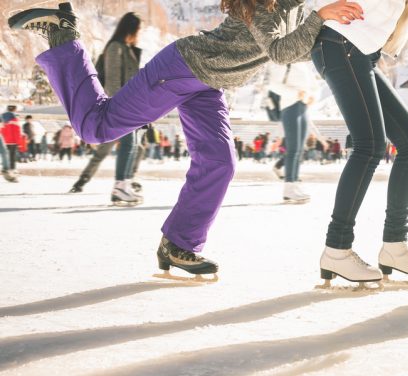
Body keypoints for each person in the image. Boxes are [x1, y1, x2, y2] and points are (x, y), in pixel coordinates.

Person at [9, 0, 364, 279]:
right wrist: (320, 17)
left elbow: (293, 48)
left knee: (220, 163)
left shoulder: (292, 5)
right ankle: (64, 37)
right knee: (95, 128)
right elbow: (279, 52)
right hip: (181, 69)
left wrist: (332, 30)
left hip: (208, 84)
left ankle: (179, 245)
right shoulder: (265, 3)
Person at [312, 0, 408, 287]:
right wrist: (319, 11)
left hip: (361, 52)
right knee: (369, 145)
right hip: (341, 43)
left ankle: (395, 247)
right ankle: (337, 248)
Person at [69, 13, 143, 207]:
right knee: (127, 145)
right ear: (131, 29)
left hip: (131, 106)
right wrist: (121, 107)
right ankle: (119, 187)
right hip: (121, 106)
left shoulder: (127, 49)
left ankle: (124, 185)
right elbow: (112, 82)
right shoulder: (115, 48)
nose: (139, 33)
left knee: (133, 145)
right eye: (138, 29)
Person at [268, 62, 317, 203]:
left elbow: (314, 85)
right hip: (290, 106)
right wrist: (296, 93)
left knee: (300, 149)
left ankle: (294, 184)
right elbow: (273, 84)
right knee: (293, 148)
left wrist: (312, 95)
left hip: (303, 106)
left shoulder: (304, 64)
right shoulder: (284, 61)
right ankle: (289, 188)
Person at [1, 109, 22, 179]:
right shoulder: (16, 123)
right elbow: (17, 133)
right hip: (13, 142)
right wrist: (19, 143)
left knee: (5, 155)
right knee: (12, 156)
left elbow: (2, 132)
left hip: (5, 141)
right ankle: (12, 169)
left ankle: (7, 168)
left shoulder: (3, 122)